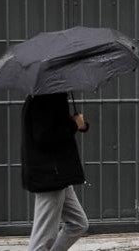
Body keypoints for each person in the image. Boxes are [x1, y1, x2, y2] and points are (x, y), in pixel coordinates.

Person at [21, 92, 90, 251]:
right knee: (41, 242)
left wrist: (78, 123)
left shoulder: (51, 96)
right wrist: (74, 125)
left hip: (59, 174)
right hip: (50, 176)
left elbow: (54, 127)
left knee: (78, 224)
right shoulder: (44, 98)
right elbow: (43, 137)